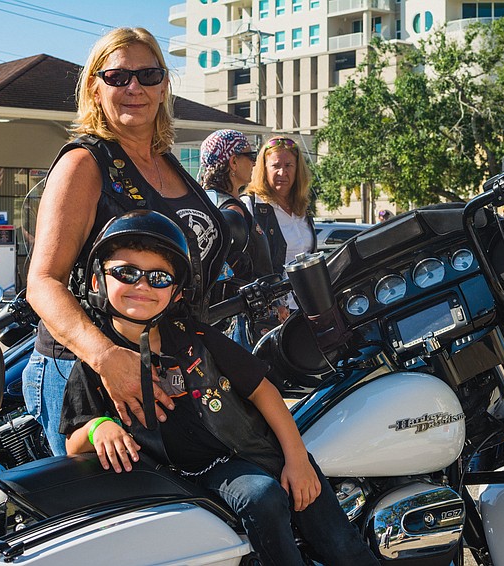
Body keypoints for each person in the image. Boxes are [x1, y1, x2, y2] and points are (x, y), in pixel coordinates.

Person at [60, 210, 378, 566]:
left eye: (159, 277)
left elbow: (263, 391)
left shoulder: (198, 338)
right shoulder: (95, 360)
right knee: (261, 495)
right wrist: (98, 428)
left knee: (344, 547)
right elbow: (73, 441)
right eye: (126, 272)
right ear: (95, 280)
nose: (143, 285)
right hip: (182, 477)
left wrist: (298, 460)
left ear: (177, 291)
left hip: (260, 454)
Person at [24, 27, 230, 456]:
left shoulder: (170, 164)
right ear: (95, 89)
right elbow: (43, 282)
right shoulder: (85, 163)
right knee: (107, 517)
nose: (134, 87)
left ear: (164, 87)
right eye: (118, 77)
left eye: (148, 75)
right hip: (88, 372)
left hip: (170, 363)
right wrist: (105, 358)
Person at [200, 129, 272, 347]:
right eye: (250, 157)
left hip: (224, 318)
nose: (254, 164)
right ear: (233, 162)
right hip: (240, 319)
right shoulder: (231, 210)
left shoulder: (205, 201)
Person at [244, 136, 316, 323]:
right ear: (263, 168)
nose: (282, 172)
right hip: (271, 315)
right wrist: (274, 303)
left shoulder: (303, 208)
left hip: (305, 309)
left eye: (288, 165)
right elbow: (244, 266)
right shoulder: (250, 206)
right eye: (275, 166)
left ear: (297, 170)